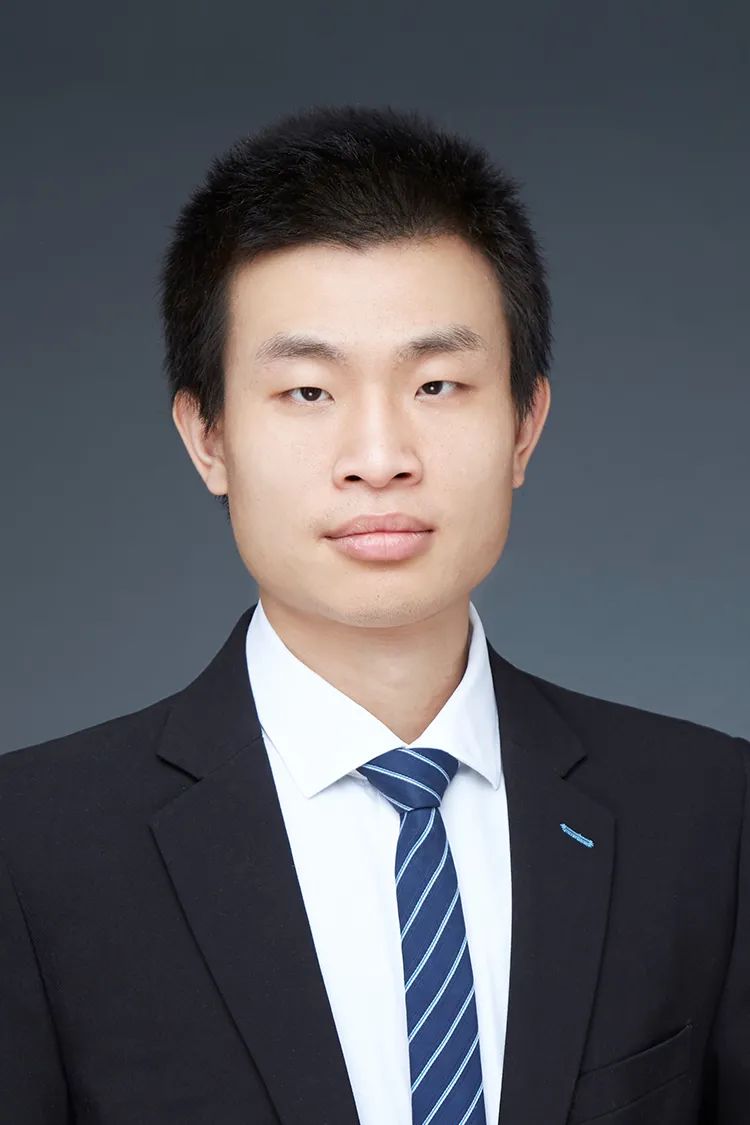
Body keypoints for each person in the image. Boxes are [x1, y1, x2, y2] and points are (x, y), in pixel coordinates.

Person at [0, 104, 747, 1125]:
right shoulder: (32, 850)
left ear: (524, 425)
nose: (380, 456)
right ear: (208, 437)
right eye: (308, 393)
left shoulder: (711, 815)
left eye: (437, 383)